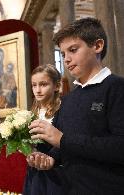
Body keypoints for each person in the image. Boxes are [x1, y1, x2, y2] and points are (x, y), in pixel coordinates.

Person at [28, 17, 124, 194]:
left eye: (73, 50)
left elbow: (120, 146)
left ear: (97, 46)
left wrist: (62, 140)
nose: (66, 59)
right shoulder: (69, 99)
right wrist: (50, 159)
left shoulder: (117, 88)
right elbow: (64, 146)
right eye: (63, 54)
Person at [23, 64, 64, 195]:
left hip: (56, 173)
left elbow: (67, 140)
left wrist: (51, 157)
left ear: (57, 86)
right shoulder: (32, 113)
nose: (37, 90)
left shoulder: (63, 110)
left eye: (43, 84)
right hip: (35, 172)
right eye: (34, 85)